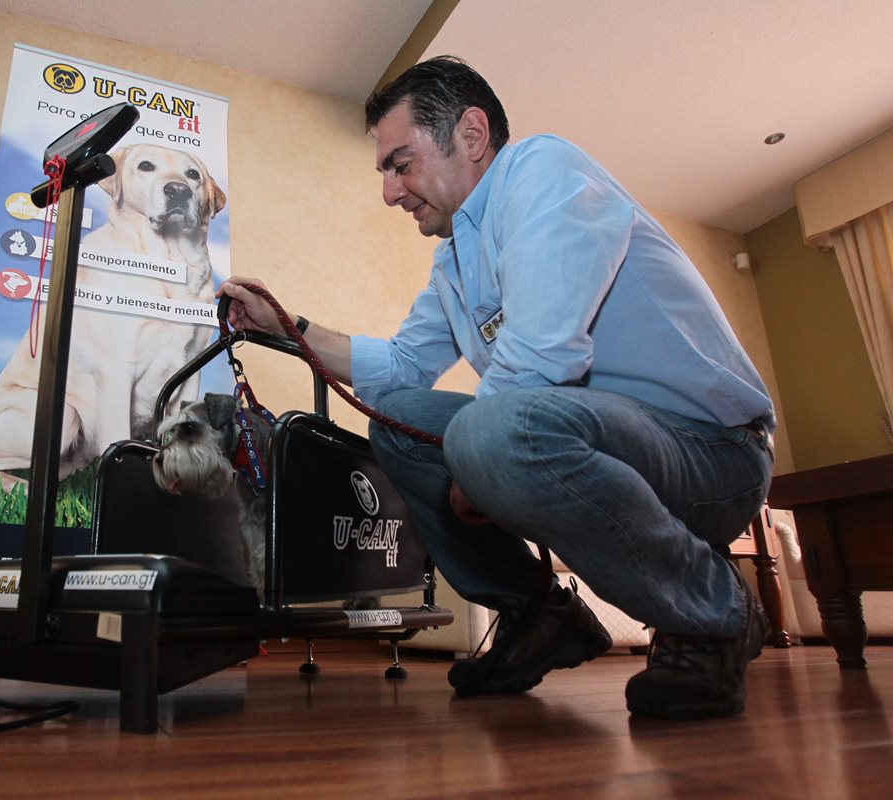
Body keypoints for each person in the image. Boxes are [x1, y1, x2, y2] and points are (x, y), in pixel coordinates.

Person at [218, 56, 774, 720]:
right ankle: (536, 612)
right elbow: (398, 368)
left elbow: (541, 355)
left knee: (490, 432)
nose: (390, 193)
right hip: (612, 445)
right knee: (398, 420)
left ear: (472, 135)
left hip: (714, 458)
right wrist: (284, 326)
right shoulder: (454, 256)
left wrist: (473, 469)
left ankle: (716, 610)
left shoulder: (545, 172)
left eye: (400, 164)